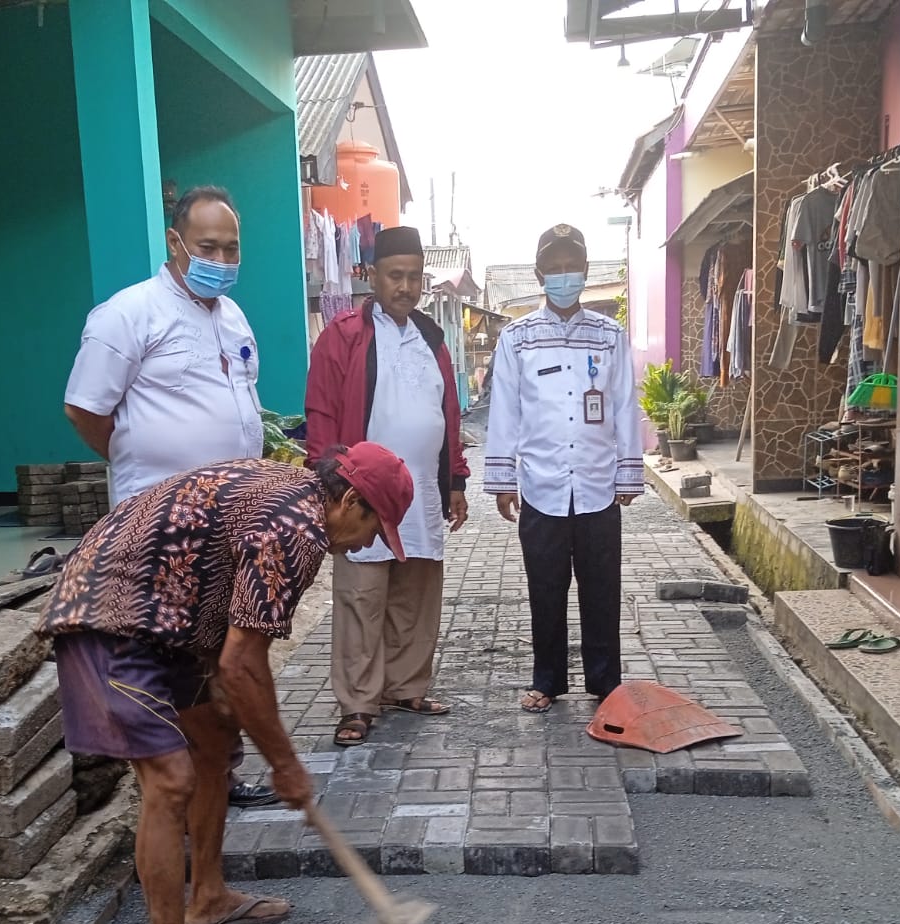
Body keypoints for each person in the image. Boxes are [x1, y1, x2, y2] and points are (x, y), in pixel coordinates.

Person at [38, 445, 415, 924]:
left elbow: (236, 657)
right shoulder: (297, 526)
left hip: (174, 618)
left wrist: (241, 712)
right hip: (110, 616)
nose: (367, 544)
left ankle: (207, 898)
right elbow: (243, 665)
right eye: (372, 527)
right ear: (348, 500)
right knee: (171, 779)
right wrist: (287, 766)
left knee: (214, 744)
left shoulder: (296, 502)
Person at [61, 183, 274, 808]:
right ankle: (170, 782)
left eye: (232, 248)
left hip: (224, 531)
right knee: (164, 654)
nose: (223, 260)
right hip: (156, 534)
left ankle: (221, 774)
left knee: (213, 654)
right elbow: (85, 411)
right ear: (175, 243)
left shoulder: (232, 317)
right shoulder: (126, 315)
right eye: (209, 246)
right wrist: (142, 461)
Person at [303, 225, 470, 747]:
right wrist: (326, 486)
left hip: (421, 488)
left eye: (415, 277)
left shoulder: (433, 339)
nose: (406, 286)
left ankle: (406, 686)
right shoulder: (344, 334)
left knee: (416, 593)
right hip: (362, 496)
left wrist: (456, 480)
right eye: (395, 275)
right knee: (362, 596)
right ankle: (357, 703)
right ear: (371, 275)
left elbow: (449, 413)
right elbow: (321, 411)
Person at [485, 223, 642, 713]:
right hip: (542, 485)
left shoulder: (610, 335)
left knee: (602, 587)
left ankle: (604, 680)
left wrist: (628, 471)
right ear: (538, 275)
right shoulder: (518, 337)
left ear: (585, 270)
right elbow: (506, 410)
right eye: (553, 268)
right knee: (545, 588)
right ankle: (547, 680)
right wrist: (503, 479)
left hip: (597, 484)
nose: (563, 275)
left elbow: (624, 405)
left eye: (571, 266)